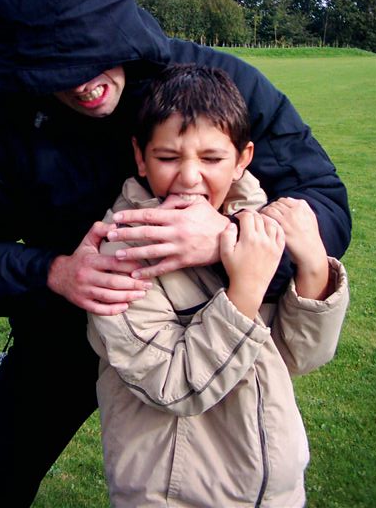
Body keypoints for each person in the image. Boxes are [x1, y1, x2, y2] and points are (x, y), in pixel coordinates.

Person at [0, 0, 351, 507]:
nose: (80, 83)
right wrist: (53, 273)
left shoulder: (213, 83)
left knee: (198, 484)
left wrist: (226, 240)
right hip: (63, 331)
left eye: (85, 53)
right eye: (52, 70)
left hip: (206, 325)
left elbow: (323, 202)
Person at [87, 64, 350, 507]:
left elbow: (297, 357)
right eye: (168, 158)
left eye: (211, 159)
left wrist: (311, 271)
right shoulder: (122, 254)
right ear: (140, 156)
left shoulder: (256, 225)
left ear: (243, 158)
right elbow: (172, 386)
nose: (189, 177)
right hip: (171, 494)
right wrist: (245, 289)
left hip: (274, 488)